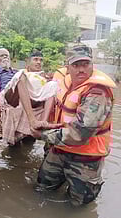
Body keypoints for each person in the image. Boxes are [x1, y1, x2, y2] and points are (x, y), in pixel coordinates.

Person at [31, 46, 116, 206]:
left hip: (85, 159)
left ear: (92, 64)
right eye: (76, 65)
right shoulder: (63, 80)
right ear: (67, 66)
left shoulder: (97, 93)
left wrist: (42, 135)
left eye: (85, 64)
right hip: (59, 150)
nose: (81, 69)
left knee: (78, 205)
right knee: (42, 189)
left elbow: (79, 134)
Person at [0, 51, 57, 146]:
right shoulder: (23, 73)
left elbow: (44, 94)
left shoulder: (44, 78)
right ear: (28, 62)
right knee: (21, 76)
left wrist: (46, 81)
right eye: (35, 59)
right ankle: (32, 120)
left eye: (41, 60)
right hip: (13, 98)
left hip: (34, 102)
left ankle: (44, 121)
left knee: (53, 85)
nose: (39, 62)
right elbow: (9, 88)